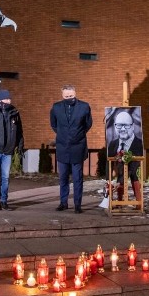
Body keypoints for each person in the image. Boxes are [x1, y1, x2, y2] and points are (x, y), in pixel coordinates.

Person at [50, 85, 92, 213]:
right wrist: (64, 135)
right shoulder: (56, 107)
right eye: (66, 96)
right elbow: (54, 124)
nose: (69, 98)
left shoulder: (84, 107)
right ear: (62, 96)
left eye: (71, 96)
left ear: (75, 93)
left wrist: (77, 135)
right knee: (63, 177)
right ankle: (63, 203)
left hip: (78, 147)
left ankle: (78, 205)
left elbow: (88, 124)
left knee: (77, 178)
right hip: (62, 147)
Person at [107, 110, 143, 200]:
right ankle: (119, 202)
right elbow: (109, 163)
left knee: (134, 175)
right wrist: (108, 180)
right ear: (115, 126)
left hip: (132, 175)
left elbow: (133, 167)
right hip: (120, 176)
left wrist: (120, 182)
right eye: (119, 125)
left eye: (126, 125)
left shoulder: (139, 145)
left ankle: (138, 202)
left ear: (133, 126)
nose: (122, 129)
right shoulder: (112, 144)